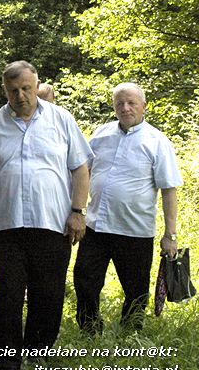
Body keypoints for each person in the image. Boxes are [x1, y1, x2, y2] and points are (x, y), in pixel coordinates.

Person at [0, 60, 91, 370]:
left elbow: (80, 168)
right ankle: (8, 364)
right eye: (13, 90)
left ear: (36, 85)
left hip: (53, 223)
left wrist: (78, 212)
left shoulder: (61, 120)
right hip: (5, 225)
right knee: (7, 294)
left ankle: (39, 354)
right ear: (4, 90)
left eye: (25, 88)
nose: (20, 96)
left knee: (48, 292)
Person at [74, 83, 182, 333]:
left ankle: (131, 335)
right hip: (96, 226)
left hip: (134, 230)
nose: (125, 108)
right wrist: (74, 210)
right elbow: (83, 172)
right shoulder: (101, 134)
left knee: (136, 290)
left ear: (144, 106)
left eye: (131, 103)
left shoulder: (157, 142)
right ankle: (89, 330)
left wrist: (170, 235)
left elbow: (168, 190)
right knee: (85, 280)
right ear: (114, 107)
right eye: (120, 103)